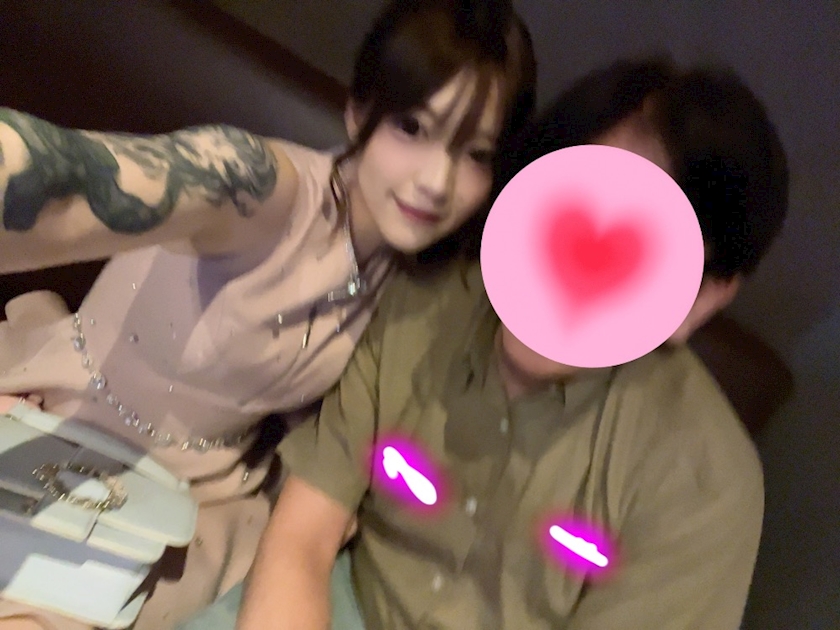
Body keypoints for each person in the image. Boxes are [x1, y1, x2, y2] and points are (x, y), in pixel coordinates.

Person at [183, 55, 788, 629]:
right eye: (568, 204)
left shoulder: (706, 481)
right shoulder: (423, 302)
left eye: (636, 250)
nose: (575, 263)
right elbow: (305, 534)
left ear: (703, 296)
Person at [0, 1, 537, 628]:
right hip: (55, 414)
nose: (436, 183)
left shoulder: (414, 280)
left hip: (196, 498)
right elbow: (75, 177)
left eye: (475, 154)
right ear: (358, 109)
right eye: (412, 127)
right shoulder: (262, 190)